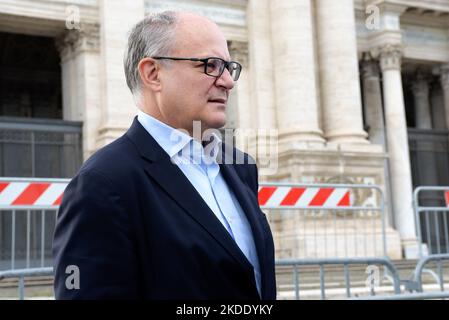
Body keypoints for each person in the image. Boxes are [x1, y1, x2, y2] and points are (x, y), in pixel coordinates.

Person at [52, 10, 276, 300]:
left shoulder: (242, 167)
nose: (228, 82)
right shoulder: (103, 183)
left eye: (229, 67)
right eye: (211, 65)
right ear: (153, 73)